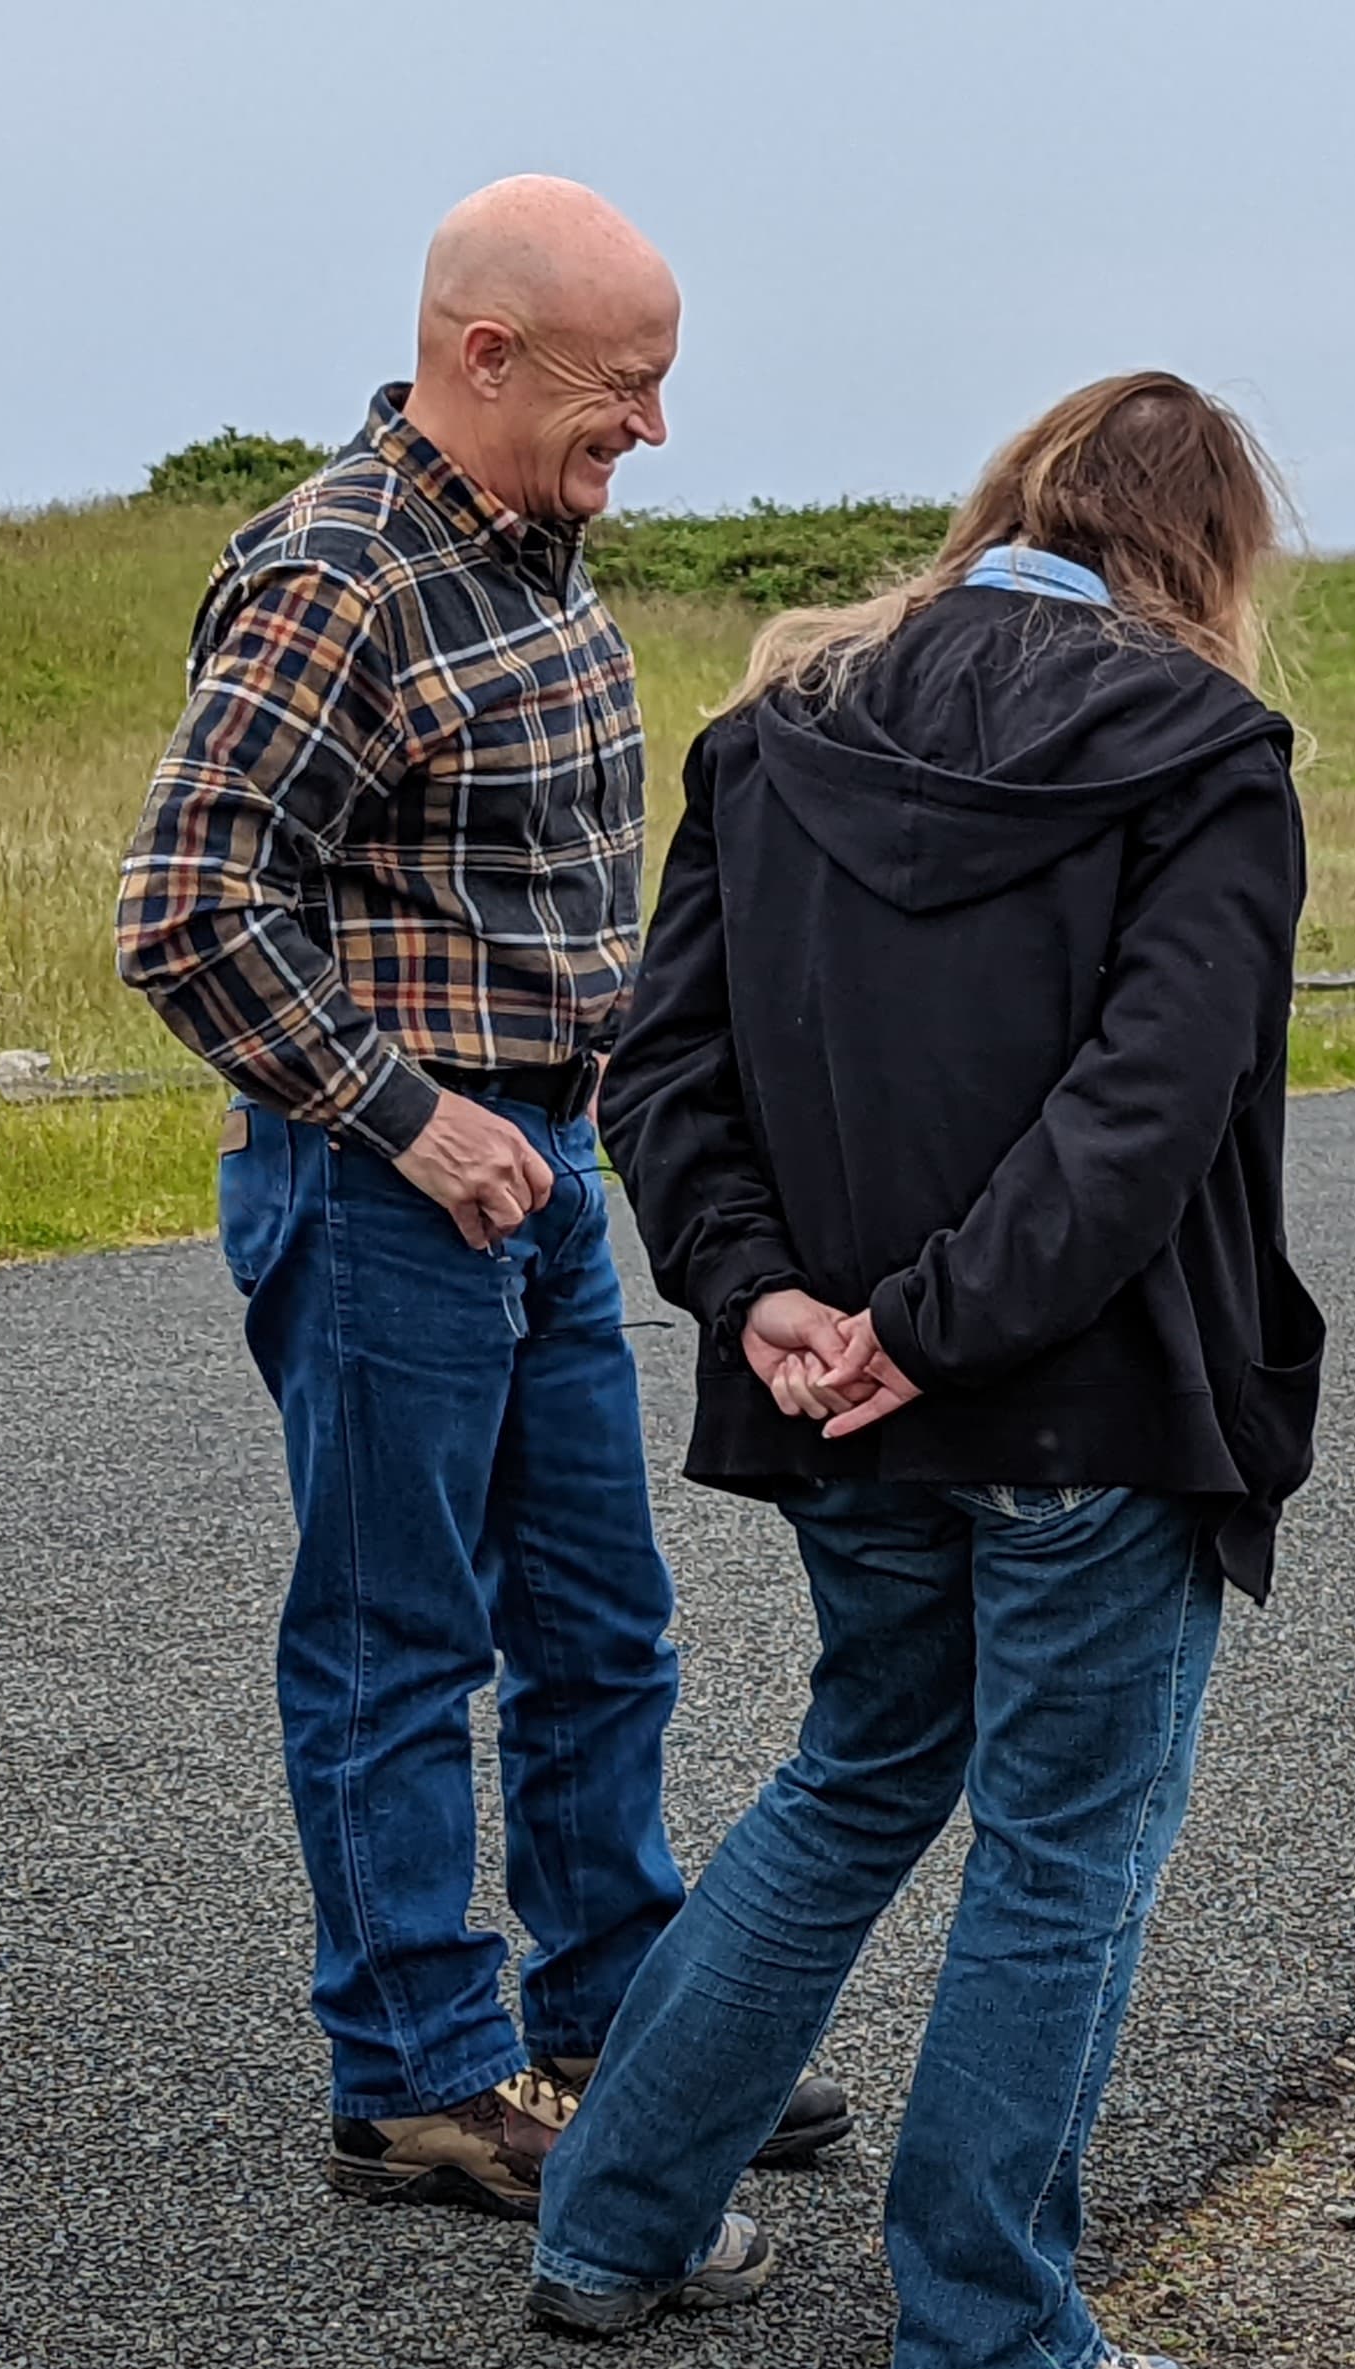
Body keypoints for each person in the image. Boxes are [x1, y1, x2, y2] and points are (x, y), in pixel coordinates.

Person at [530, 374, 1322, 2369]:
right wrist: (927, 1326)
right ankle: (985, 2342)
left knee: (860, 1768)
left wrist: (773, 1298)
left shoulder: (779, 730)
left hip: (839, 1398)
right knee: (1062, 1849)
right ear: (1210, 552)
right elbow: (1147, 1116)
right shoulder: (1208, 756)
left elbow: (658, 1067)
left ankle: (615, 2221)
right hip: (1080, 1401)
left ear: (1009, 504)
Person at [119, 175, 849, 2216]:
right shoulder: (334, 575)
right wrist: (406, 1114)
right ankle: (424, 2078)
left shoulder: (535, 559)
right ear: (486, 352)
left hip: (548, 1169)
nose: (654, 430)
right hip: (385, 1190)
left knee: (603, 1619)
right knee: (397, 1634)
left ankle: (625, 2021)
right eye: (627, 388)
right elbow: (187, 910)